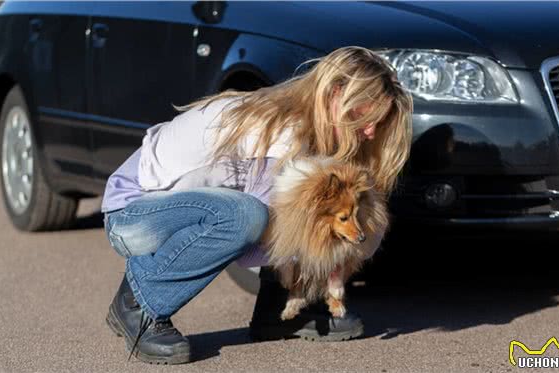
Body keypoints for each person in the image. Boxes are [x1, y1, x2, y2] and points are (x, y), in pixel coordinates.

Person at [101, 46, 413, 364]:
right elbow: (257, 250)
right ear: (335, 94)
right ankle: (140, 302)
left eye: (380, 120)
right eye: (364, 114)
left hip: (165, 211)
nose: (371, 131)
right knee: (249, 217)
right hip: (131, 215)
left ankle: (281, 310)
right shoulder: (281, 135)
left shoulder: (306, 127)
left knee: (309, 215)